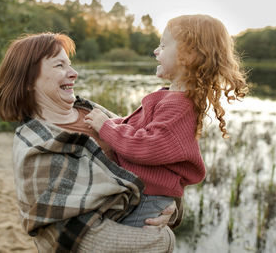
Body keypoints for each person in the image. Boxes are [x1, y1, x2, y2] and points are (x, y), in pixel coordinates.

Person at [0, 33, 181, 253]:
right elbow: (73, 238)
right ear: (29, 80)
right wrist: (164, 241)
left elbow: (150, 159)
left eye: (70, 64)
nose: (74, 73)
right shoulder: (37, 147)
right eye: (60, 65)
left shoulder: (92, 111)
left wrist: (163, 205)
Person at [84, 14, 248, 227]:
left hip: (146, 199)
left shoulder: (179, 105)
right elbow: (137, 126)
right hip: (139, 193)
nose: (155, 50)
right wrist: (112, 123)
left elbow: (149, 145)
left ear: (188, 55)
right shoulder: (171, 98)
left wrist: (106, 127)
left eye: (163, 45)